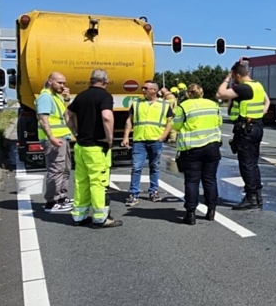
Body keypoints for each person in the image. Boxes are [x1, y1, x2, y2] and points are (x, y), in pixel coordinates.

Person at [67, 69, 122, 228]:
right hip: (96, 148)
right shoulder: (105, 96)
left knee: (81, 181)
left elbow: (67, 115)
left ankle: (79, 216)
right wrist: (109, 138)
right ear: (106, 81)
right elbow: (106, 117)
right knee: (98, 183)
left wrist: (75, 132)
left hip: (81, 146)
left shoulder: (81, 96)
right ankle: (101, 218)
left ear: (90, 80)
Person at [217, 58, 269, 210]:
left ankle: (251, 197)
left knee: (246, 164)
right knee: (253, 163)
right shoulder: (258, 85)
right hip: (257, 126)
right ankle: (257, 195)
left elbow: (220, 94)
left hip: (246, 129)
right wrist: (260, 114)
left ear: (237, 76)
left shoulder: (244, 88)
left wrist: (227, 78)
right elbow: (267, 101)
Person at [172, 83, 222, 225]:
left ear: (188, 93)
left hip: (192, 149)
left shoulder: (184, 106)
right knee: (210, 179)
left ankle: (191, 214)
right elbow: (219, 122)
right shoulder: (213, 104)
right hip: (212, 147)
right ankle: (211, 211)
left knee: (192, 181)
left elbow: (176, 125)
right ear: (202, 92)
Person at [121, 80, 173, 206]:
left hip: (156, 139)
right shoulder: (137, 103)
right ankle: (133, 194)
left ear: (154, 90)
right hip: (139, 140)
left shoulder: (164, 104)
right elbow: (129, 120)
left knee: (154, 167)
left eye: (146, 88)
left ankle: (153, 191)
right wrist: (126, 136)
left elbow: (170, 122)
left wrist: (163, 137)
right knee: (136, 167)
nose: (143, 90)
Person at [36, 72, 73, 213]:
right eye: (59, 82)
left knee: (65, 169)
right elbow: (43, 119)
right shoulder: (45, 97)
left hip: (62, 137)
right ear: (50, 81)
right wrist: (51, 137)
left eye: (64, 83)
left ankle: (61, 197)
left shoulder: (56, 97)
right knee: (55, 170)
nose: (62, 85)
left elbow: (64, 115)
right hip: (54, 139)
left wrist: (67, 99)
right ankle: (52, 202)